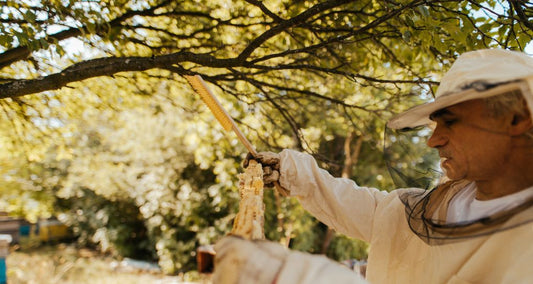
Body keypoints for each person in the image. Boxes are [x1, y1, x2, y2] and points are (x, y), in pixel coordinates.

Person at [213, 49, 533, 284]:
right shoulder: (443, 202)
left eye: (450, 121)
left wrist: (296, 276)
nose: (433, 141)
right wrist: (293, 172)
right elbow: (382, 214)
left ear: (516, 118)